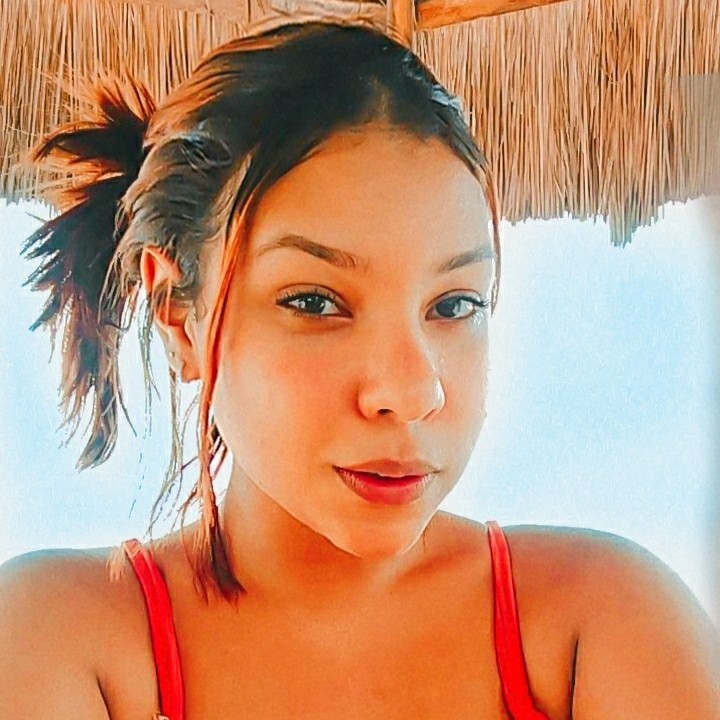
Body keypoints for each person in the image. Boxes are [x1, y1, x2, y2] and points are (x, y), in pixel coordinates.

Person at [0, 17, 718, 720]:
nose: (411, 392)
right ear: (179, 316)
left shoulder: (599, 624)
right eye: (314, 302)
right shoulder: (64, 640)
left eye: (455, 305)